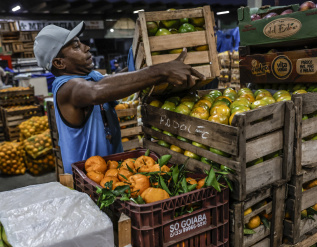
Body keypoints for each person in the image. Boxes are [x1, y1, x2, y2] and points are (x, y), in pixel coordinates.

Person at [33, 21, 204, 174]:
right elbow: (96, 91)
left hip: (111, 173)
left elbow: (111, 81)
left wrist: (138, 61)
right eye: (76, 46)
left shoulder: (90, 77)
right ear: (59, 63)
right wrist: (161, 71)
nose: (86, 47)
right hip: (89, 181)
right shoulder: (66, 88)